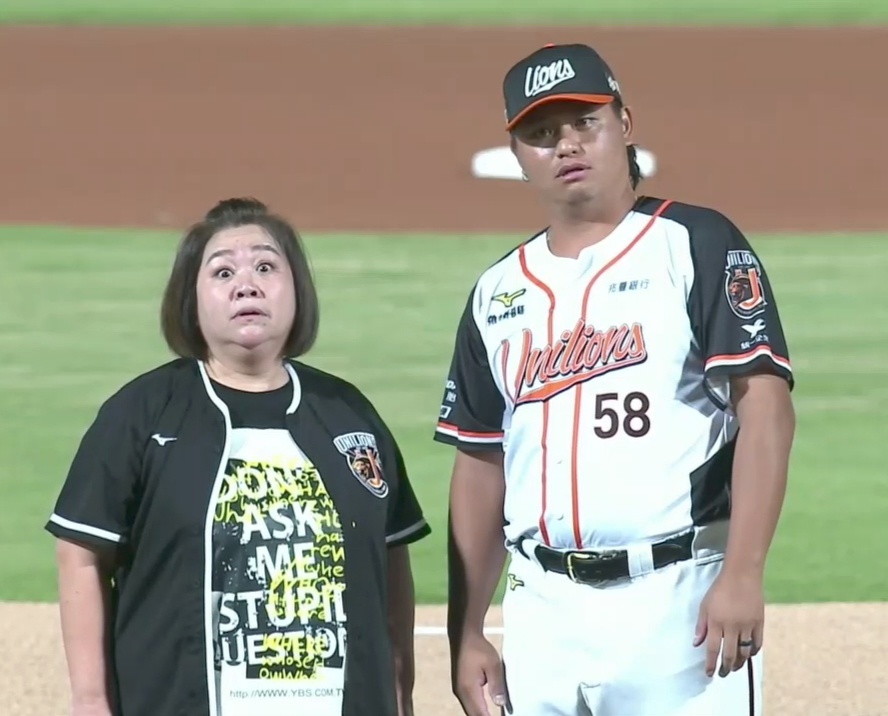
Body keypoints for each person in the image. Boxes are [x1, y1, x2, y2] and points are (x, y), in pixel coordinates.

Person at [435, 42, 795, 716]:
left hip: (678, 598)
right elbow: (480, 461)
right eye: (542, 134)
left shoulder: (694, 242)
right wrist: (469, 629)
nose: (566, 145)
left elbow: (765, 407)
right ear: (518, 155)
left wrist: (743, 572)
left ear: (624, 124)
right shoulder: (497, 291)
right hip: (541, 610)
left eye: (585, 123)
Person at [45, 197, 431, 716]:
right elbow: (81, 553)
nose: (246, 285)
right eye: (222, 272)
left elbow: (390, 558)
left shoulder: (348, 413)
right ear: (191, 299)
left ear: (297, 288)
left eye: (266, 267)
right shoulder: (141, 414)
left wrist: (399, 687)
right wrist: (91, 699)